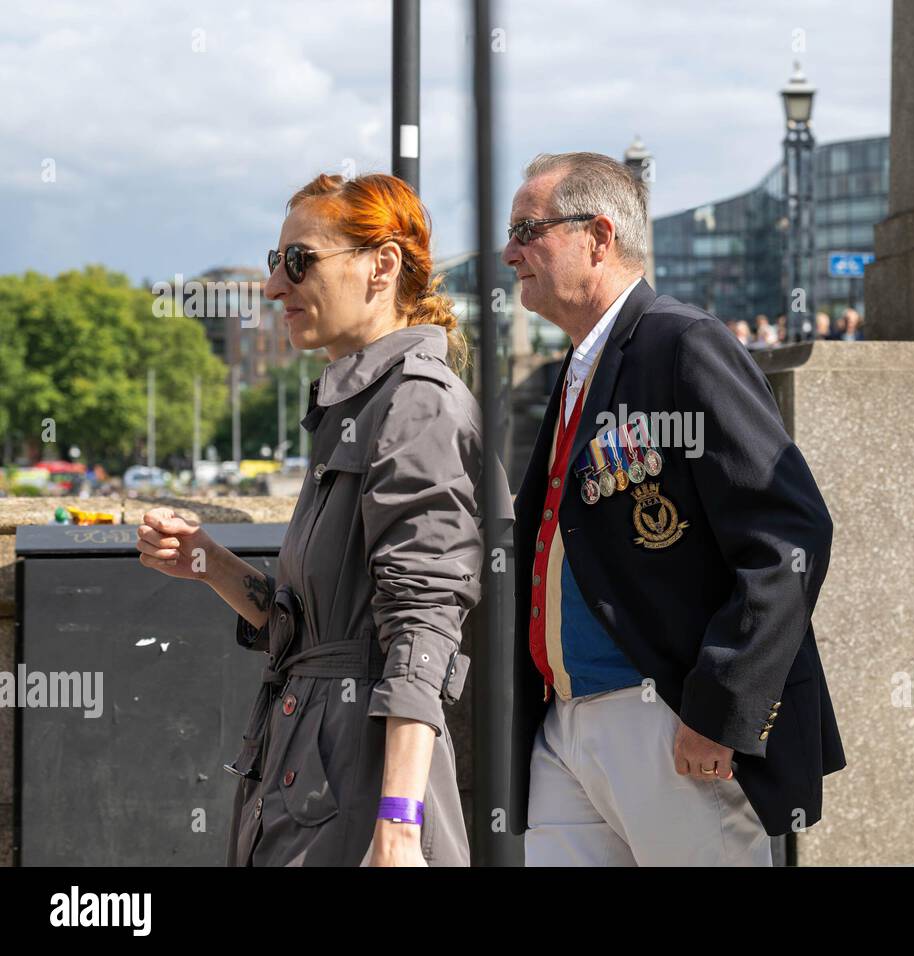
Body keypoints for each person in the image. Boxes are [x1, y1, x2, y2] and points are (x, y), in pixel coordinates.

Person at [136, 173, 493, 867]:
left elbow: (424, 627)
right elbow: (305, 625)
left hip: (355, 792)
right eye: (275, 263)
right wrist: (208, 562)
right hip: (305, 772)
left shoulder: (417, 405)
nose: (275, 288)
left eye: (299, 261)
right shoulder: (359, 407)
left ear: (381, 266)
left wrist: (397, 827)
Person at [502, 152, 844, 866]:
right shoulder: (578, 365)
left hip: (667, 724)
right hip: (565, 724)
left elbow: (789, 534)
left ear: (598, 237)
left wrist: (720, 709)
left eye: (527, 230)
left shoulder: (684, 342)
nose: (510, 253)